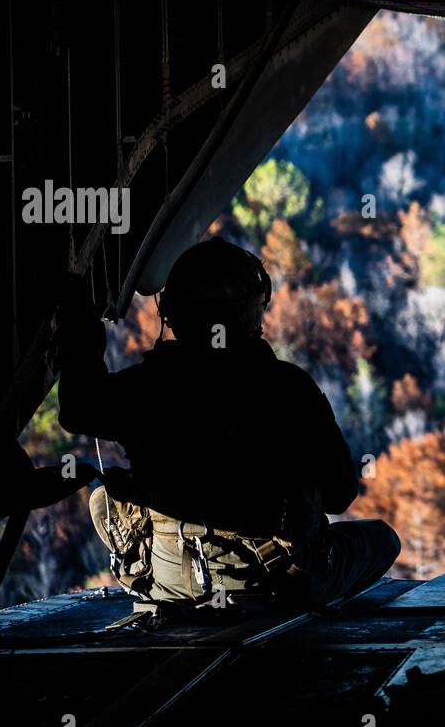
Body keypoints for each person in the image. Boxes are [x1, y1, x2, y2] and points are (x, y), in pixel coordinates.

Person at [56, 237, 400, 607]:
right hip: (272, 582)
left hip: (165, 578)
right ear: (253, 312)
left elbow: (78, 410)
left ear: (172, 313)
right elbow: (339, 494)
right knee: (382, 540)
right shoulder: (287, 387)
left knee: (101, 499)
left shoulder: (146, 386)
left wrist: (84, 341)